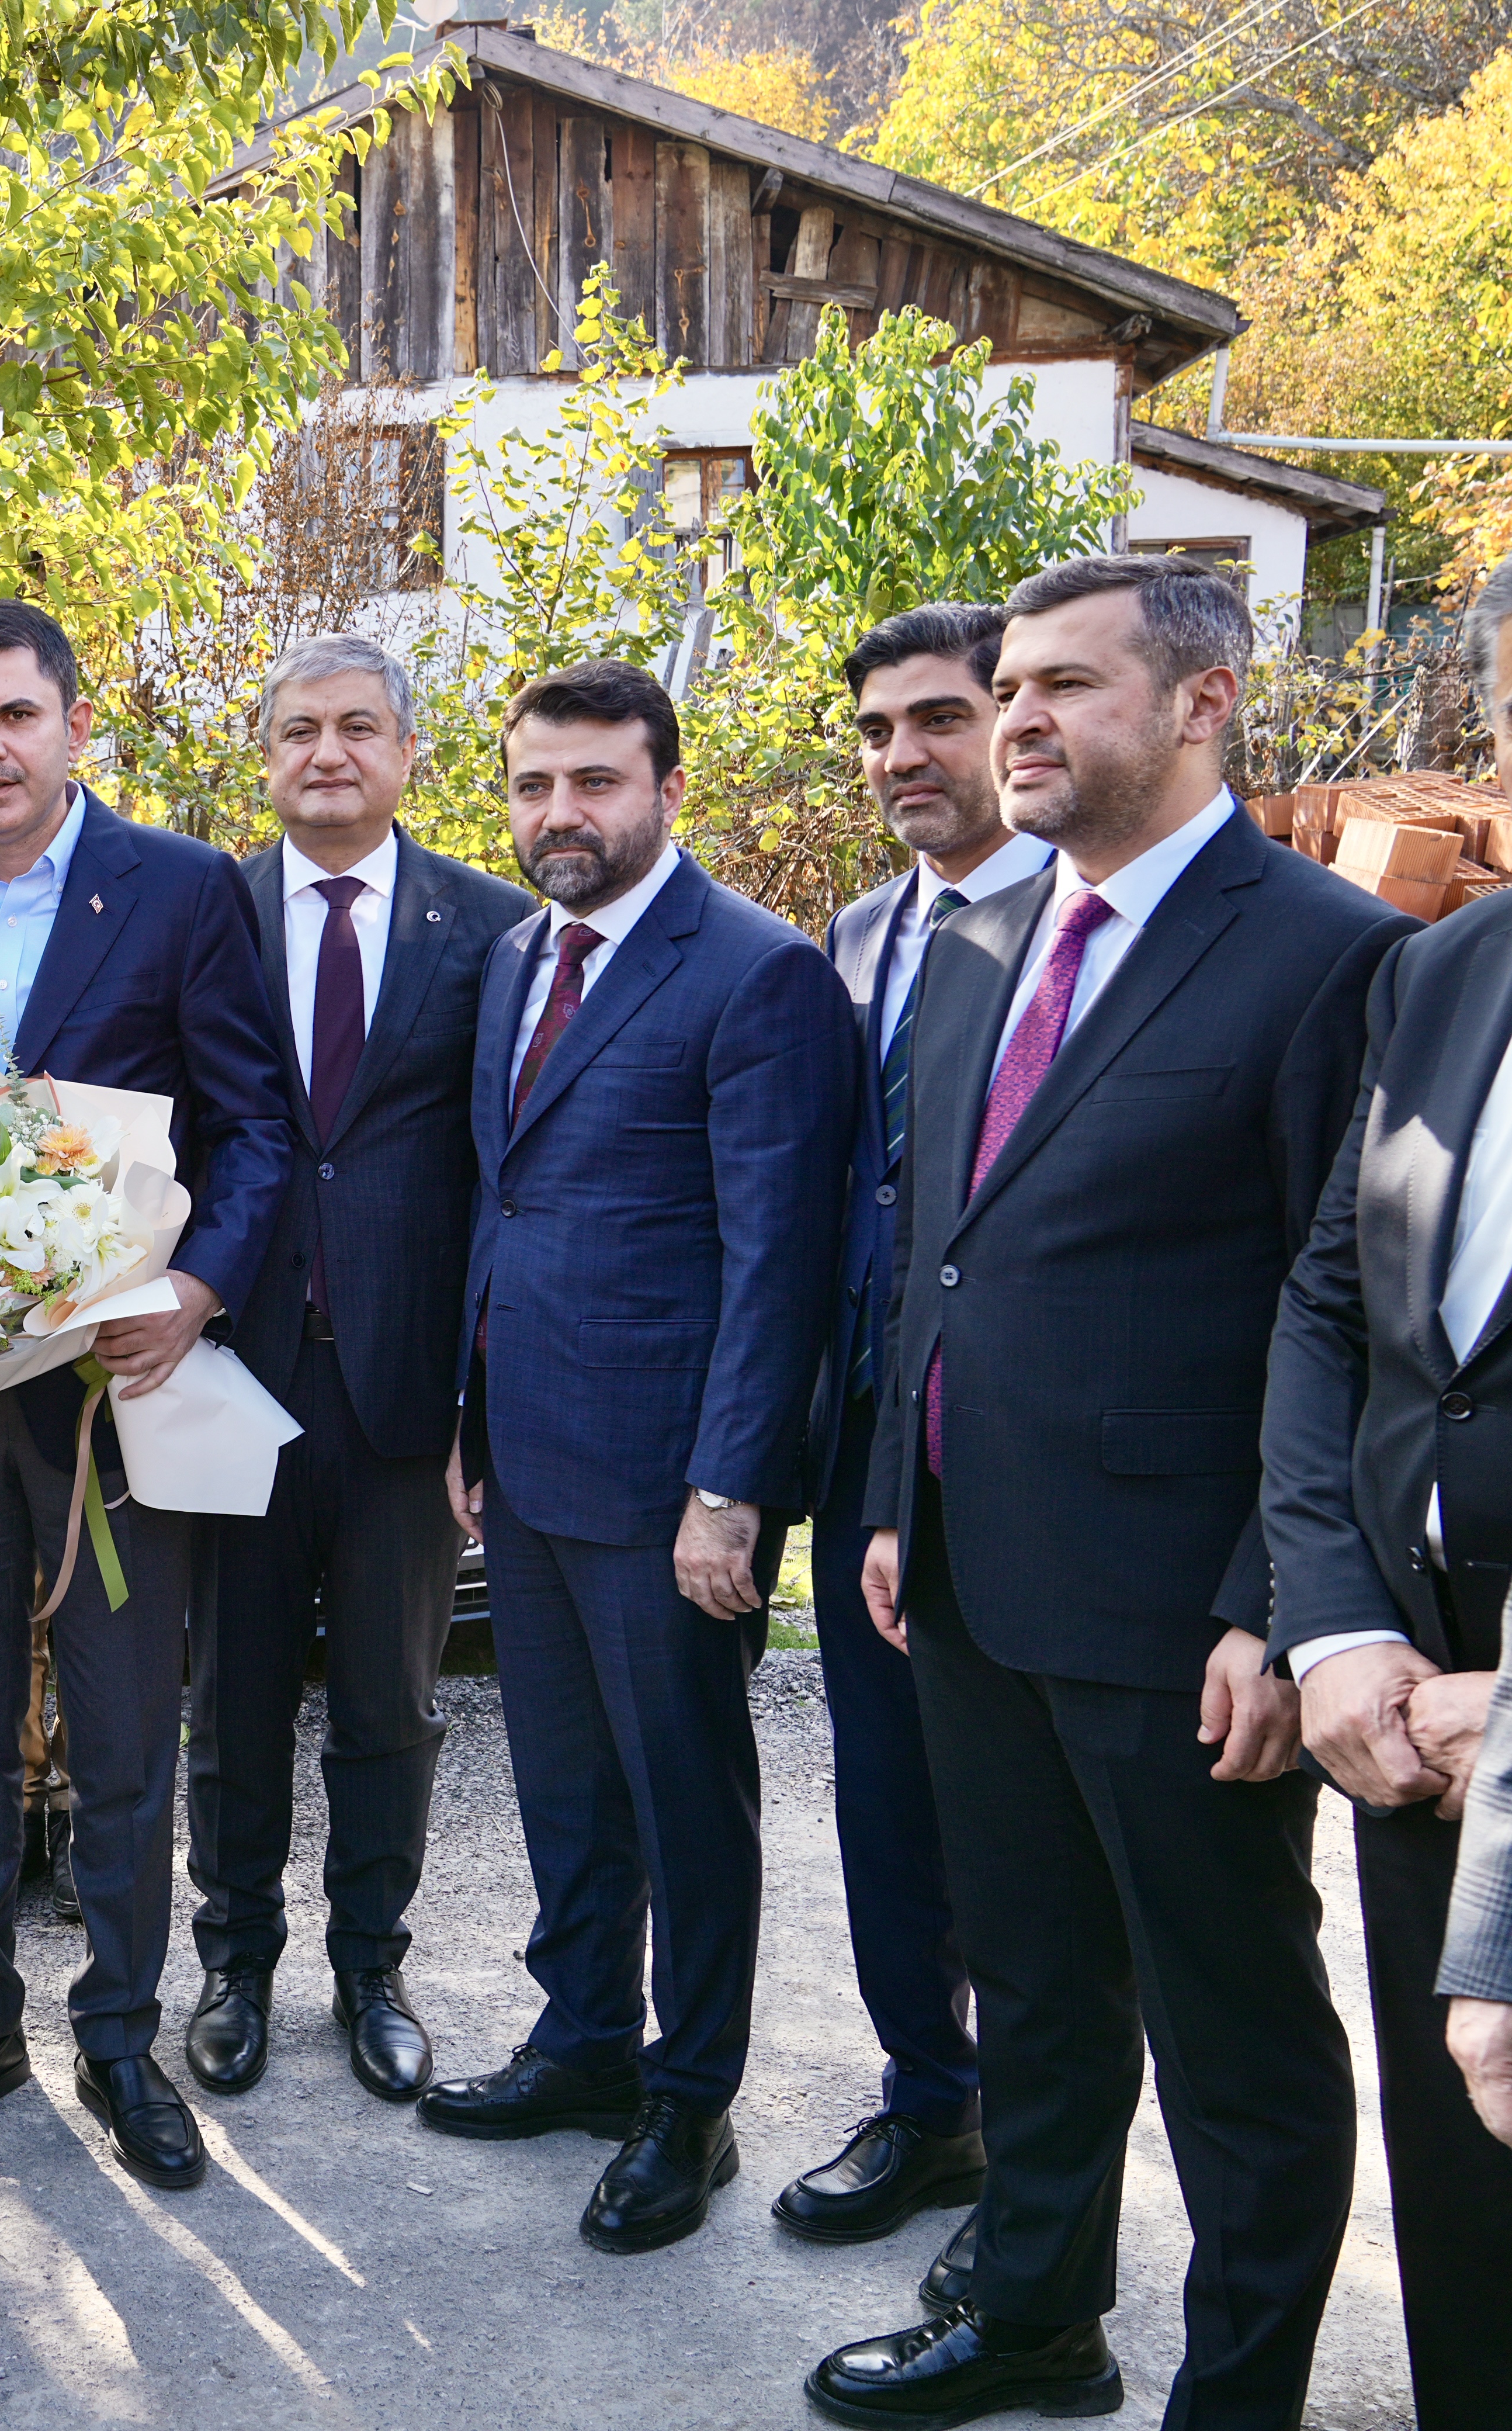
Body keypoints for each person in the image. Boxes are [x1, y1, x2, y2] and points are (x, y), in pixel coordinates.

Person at [810, 555, 1408, 2430]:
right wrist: (898, 1490)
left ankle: (1232, 2396)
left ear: (1200, 701)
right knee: (1035, 1990)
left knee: (1229, 2034)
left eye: (1060, 685)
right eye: (1005, 690)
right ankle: (1035, 2316)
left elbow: (1351, 1321)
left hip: (1183, 1624)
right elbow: (942, 1250)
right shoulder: (983, 936)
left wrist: (1272, 1598)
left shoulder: (1321, 954)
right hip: (973, 1577)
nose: (1014, 723)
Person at [0, 597, 290, 2192]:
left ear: (71, 728)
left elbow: (249, 1125)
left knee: (121, 1728)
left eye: (15, 718)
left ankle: (117, 2030)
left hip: (116, 1395)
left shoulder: (179, 889)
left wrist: (193, 1293)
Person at [421, 660, 854, 2259]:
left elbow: (778, 1263)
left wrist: (729, 1490)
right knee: (564, 1786)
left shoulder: (755, 974)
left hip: (673, 1484)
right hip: (527, 1462)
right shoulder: (518, 956)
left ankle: (693, 2099)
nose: (561, 813)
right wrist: (470, 1426)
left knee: (685, 1797)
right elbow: (506, 1199)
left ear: (667, 787)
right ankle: (586, 2040)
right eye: (536, 782)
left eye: (595, 782)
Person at [183, 635, 529, 2107]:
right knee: (236, 1692)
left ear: (407, 753)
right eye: (299, 732)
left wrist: (484, 1393)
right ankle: (233, 1963)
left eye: (360, 729)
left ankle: (371, 1965)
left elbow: (508, 1165)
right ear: (263, 758)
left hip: (403, 1392)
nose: (328, 754)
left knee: (393, 1700)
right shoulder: (200, 915)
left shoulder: (495, 927)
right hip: (228, 1373)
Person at [1261, 559, 1512, 2429]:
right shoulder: (1437, 968)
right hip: (1409, 1709)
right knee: (1464, 2203)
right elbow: (1333, 1303)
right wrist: (1334, 1618)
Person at [775, 605, 1048, 2250]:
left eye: (936, 720)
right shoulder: (859, 933)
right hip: (866, 1437)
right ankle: (928, 2101)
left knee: (1017, 1820)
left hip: (1021, 1453)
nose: (902, 761)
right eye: (878, 731)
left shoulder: (1082, 939)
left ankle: (1042, 2140)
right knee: (883, 1793)